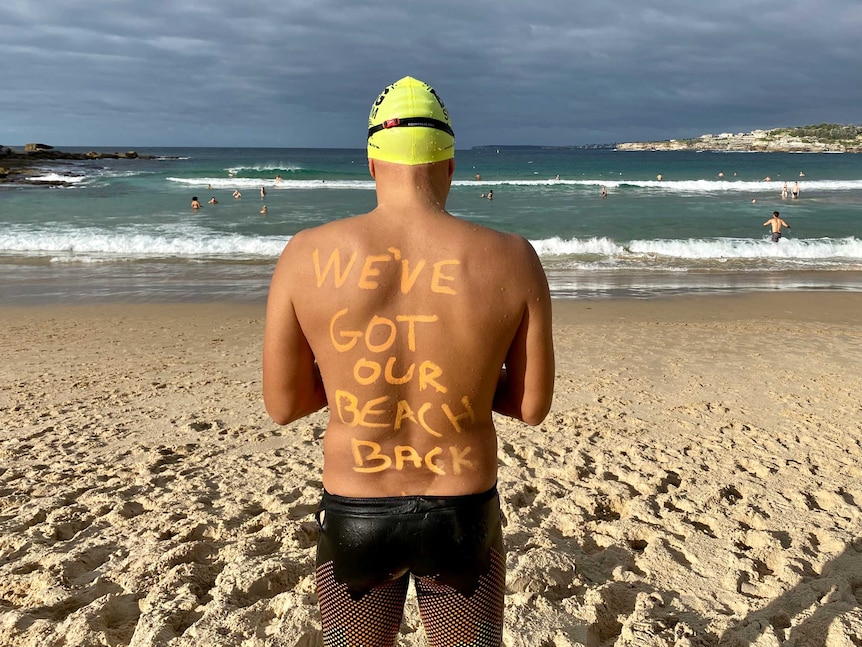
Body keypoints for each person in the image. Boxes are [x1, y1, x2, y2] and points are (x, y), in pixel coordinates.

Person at [263, 76, 555, 647]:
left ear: (372, 163)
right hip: (462, 510)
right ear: (448, 163)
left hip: (356, 509)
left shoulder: (305, 254)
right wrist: (463, 381)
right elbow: (532, 404)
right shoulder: (513, 259)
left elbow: (284, 403)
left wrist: (352, 377)